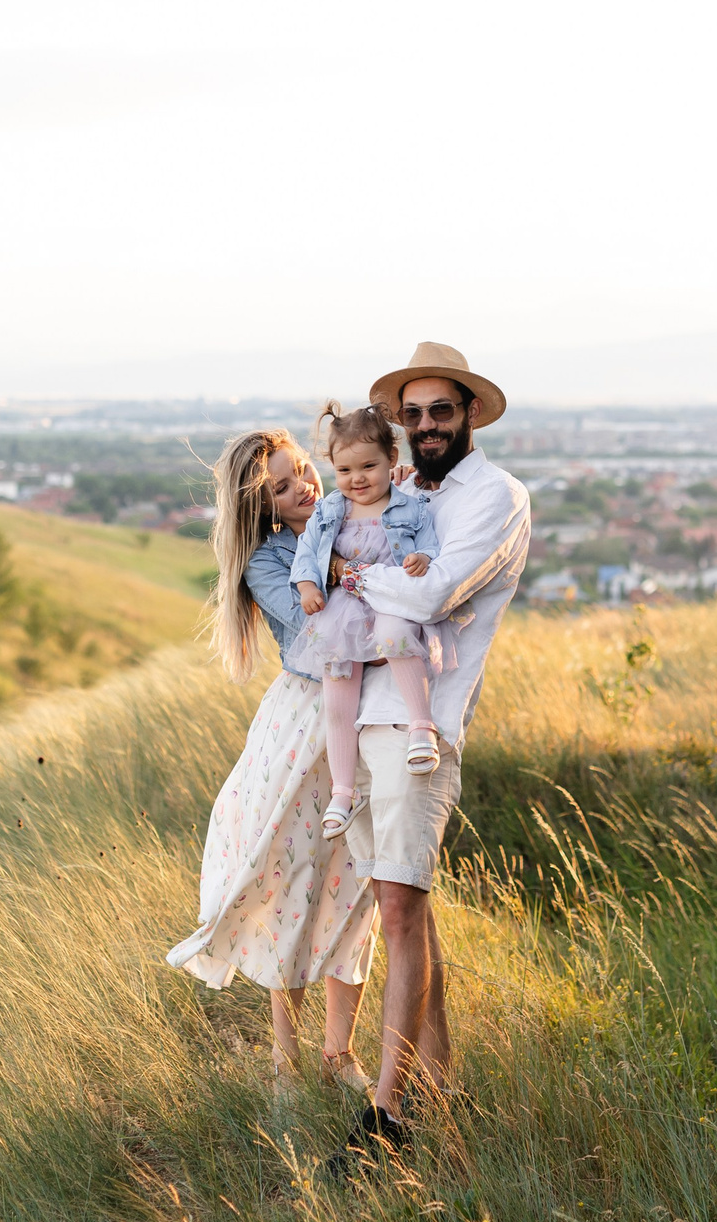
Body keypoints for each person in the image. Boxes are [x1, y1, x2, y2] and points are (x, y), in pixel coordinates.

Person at [329, 342, 530, 1173]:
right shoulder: (403, 487)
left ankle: (386, 1113)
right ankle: (441, 1085)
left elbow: (430, 593)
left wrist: (354, 577)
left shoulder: (497, 497)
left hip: (426, 728)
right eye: (410, 414)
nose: (424, 425)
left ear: (470, 412)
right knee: (406, 906)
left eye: (439, 411)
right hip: (371, 718)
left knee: (403, 912)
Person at [165, 429, 378, 1096]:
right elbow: (323, 626)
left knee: (359, 883)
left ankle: (338, 1052)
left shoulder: (351, 520)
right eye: (282, 486)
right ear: (261, 504)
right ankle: (286, 1056)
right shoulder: (268, 559)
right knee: (293, 880)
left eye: (305, 472)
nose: (304, 488)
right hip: (308, 718)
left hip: (370, 712)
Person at [289, 401, 444, 841]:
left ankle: (421, 727)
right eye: (344, 470)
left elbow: (431, 544)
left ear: (392, 460)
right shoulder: (330, 511)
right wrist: (307, 588)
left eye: (368, 466)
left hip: (390, 599)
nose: (357, 479)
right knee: (338, 700)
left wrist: (421, 557)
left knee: (396, 636)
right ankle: (343, 791)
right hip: (343, 610)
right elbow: (306, 555)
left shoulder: (409, 507)